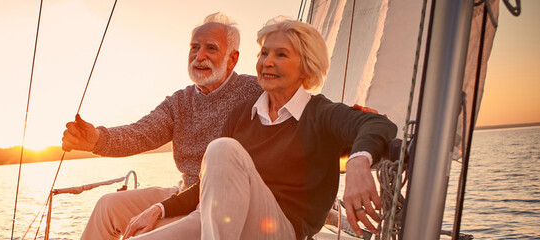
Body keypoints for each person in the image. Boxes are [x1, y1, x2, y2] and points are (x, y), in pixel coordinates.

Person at [122, 16, 397, 240]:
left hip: (282, 230)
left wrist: (359, 164)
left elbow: (377, 124)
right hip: (222, 219)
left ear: (306, 66)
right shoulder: (242, 115)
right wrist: (158, 209)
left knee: (222, 148)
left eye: (281, 54)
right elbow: (209, 185)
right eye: (264, 53)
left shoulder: (320, 113)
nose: (267, 61)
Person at [61, 12, 264, 240]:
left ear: (232, 59)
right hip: (183, 193)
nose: (199, 56)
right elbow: (141, 133)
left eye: (211, 48)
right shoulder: (180, 102)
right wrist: (97, 139)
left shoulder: (255, 92)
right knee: (106, 207)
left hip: (220, 204)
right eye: (194, 47)